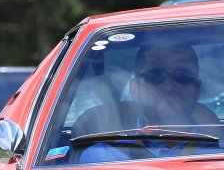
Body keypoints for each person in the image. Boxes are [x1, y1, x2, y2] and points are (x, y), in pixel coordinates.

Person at [73, 42, 215, 162]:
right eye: (155, 76)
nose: (169, 85)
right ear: (134, 89)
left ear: (197, 89)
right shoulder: (100, 158)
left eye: (182, 76)